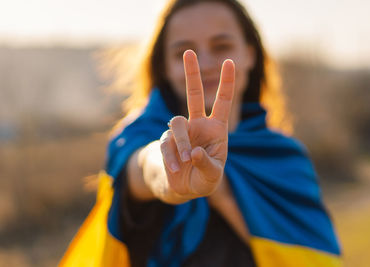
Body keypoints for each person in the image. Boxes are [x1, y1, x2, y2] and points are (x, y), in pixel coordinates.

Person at [60, 0, 342, 266]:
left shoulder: (285, 159)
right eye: (184, 53)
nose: (204, 63)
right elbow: (145, 167)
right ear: (165, 67)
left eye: (221, 46)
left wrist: (223, 193)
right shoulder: (136, 138)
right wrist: (173, 168)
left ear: (250, 54)